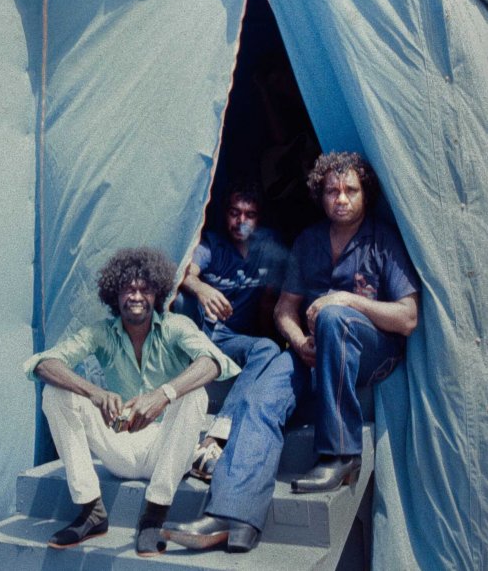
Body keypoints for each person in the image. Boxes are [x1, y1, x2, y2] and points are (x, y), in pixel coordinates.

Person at [163, 152, 420, 553]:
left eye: (350, 190)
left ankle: (339, 453)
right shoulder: (310, 241)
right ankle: (233, 517)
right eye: (332, 190)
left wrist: (345, 300)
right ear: (320, 195)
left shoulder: (381, 240)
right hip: (316, 352)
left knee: (334, 316)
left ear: (365, 194)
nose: (341, 198)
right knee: (264, 393)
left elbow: (407, 318)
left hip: (370, 354)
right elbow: (285, 309)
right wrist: (299, 342)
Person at [24, 246, 239, 556]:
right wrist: (94, 392)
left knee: (194, 393)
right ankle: (90, 511)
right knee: (55, 391)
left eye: (144, 289)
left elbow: (214, 362)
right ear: (115, 294)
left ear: (157, 294)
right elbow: (43, 364)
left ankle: (154, 516)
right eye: (127, 289)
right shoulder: (100, 333)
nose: (136, 296)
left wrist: (163, 395)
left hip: (167, 452)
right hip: (119, 447)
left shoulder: (176, 327)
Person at [176, 180, 290, 480]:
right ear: (225, 214)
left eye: (249, 214)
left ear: (259, 218)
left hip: (236, 340)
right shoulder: (212, 244)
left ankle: (218, 433)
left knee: (268, 348)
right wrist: (201, 289)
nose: (241, 221)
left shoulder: (267, 247)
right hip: (206, 336)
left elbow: (271, 303)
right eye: (234, 212)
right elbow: (185, 275)